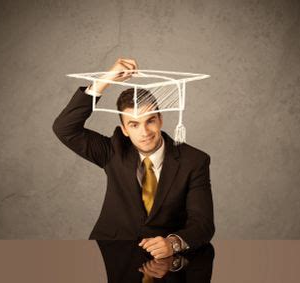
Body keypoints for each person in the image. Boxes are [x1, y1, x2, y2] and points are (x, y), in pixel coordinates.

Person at [52, 58, 215, 259]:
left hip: (163, 259)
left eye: (150, 121)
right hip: (111, 252)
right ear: (125, 130)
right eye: (134, 124)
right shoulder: (113, 150)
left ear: (160, 120)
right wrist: (105, 80)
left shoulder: (194, 161)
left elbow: (203, 224)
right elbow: (64, 128)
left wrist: (173, 243)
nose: (145, 132)